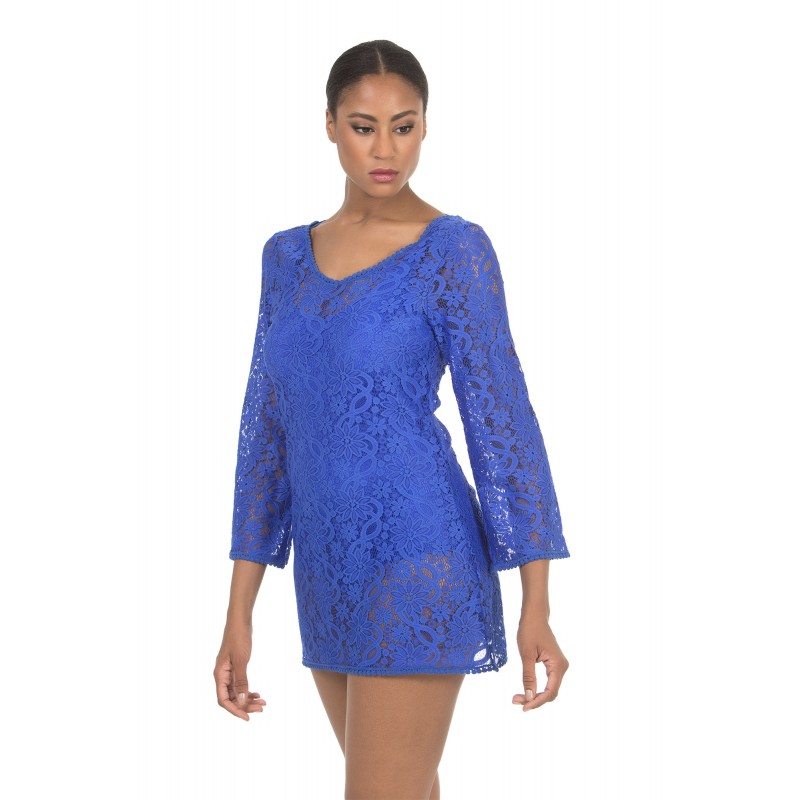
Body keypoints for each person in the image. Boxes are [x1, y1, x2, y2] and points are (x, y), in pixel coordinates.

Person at [214, 39, 571, 800]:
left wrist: (537, 601)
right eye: (363, 126)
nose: (385, 149)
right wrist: (239, 610)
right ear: (330, 126)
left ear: (425, 128)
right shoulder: (284, 258)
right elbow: (266, 435)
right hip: (326, 571)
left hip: (420, 557)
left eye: (404, 127)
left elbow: (503, 424)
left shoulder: (452, 251)